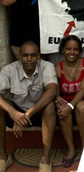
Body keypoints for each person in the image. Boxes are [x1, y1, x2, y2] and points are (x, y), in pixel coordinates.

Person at [0, 41, 57, 172]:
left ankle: (45, 160)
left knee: (49, 106)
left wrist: (26, 115)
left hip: (37, 111)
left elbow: (52, 90)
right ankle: (3, 157)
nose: (29, 59)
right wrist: (13, 112)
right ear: (19, 56)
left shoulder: (47, 66)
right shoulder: (9, 70)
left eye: (33, 55)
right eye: (25, 55)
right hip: (16, 110)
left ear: (38, 56)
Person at [54, 35, 84, 167]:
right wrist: (57, 97)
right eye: (68, 49)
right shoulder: (57, 68)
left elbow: (83, 89)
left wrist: (70, 106)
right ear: (62, 50)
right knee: (61, 108)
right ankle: (71, 149)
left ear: (79, 51)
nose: (72, 52)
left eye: (75, 49)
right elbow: (53, 88)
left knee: (82, 107)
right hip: (67, 104)